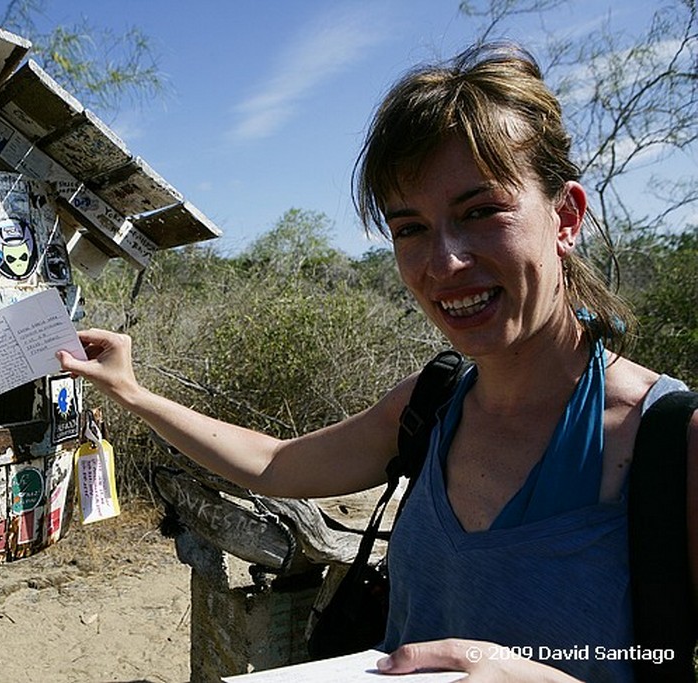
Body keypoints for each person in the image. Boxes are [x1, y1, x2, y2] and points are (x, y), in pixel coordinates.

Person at [57, 42, 697, 682]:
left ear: (566, 216)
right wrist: (132, 394)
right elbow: (276, 464)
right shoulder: (433, 403)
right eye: (410, 228)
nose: (444, 262)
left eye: (481, 212)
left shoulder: (670, 442)